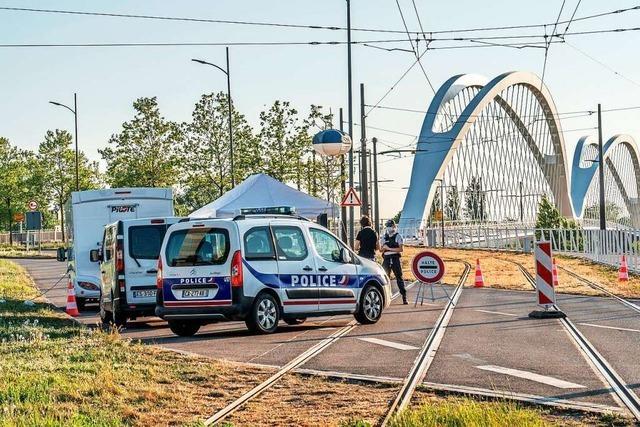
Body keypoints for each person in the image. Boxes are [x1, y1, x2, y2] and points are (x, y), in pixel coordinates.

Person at [380, 219, 407, 304]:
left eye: (391, 226)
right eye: (388, 226)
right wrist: (383, 249)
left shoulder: (398, 236)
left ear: (394, 226)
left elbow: (401, 249)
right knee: (385, 277)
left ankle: (404, 297)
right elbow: (381, 250)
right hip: (386, 259)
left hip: (395, 259)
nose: (389, 228)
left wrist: (389, 248)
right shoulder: (384, 237)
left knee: (399, 277)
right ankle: (385, 297)